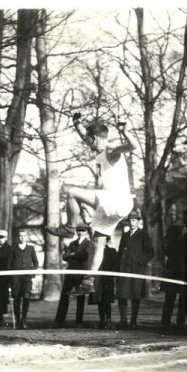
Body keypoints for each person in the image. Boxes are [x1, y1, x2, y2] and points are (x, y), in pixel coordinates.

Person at [46, 113, 137, 295]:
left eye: (89, 141)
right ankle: (89, 281)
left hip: (115, 200)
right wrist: (77, 123)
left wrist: (125, 131)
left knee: (72, 192)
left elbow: (132, 146)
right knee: (97, 242)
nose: (88, 144)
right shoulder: (100, 150)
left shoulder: (111, 149)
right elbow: (84, 135)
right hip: (120, 206)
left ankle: (70, 228)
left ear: (96, 138)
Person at [115, 210, 154, 330]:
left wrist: (140, 261)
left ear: (138, 222)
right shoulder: (125, 235)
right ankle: (123, 320)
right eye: (130, 221)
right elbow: (121, 252)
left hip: (136, 270)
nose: (132, 223)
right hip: (124, 269)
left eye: (134, 221)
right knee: (122, 295)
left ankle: (133, 321)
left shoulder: (143, 235)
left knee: (135, 295)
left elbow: (150, 252)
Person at [54, 223, 91, 328]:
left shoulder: (88, 244)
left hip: (81, 274)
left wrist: (72, 255)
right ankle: (59, 321)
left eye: (83, 230)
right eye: (79, 230)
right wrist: (73, 255)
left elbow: (85, 255)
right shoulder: (72, 243)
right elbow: (65, 256)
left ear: (86, 232)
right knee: (64, 296)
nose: (80, 232)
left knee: (80, 298)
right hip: (70, 273)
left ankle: (79, 322)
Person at [160, 205, 187, 330]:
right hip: (173, 269)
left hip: (185, 270)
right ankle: (165, 321)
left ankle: (180, 322)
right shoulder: (174, 230)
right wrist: (173, 255)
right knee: (170, 296)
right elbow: (165, 245)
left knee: (184, 299)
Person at [10, 229, 39, 329]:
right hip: (16, 278)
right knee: (16, 298)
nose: (22, 238)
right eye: (20, 236)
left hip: (27, 277)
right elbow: (9, 264)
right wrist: (11, 278)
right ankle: (18, 321)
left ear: (26, 237)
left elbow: (36, 262)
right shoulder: (13, 249)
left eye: (24, 236)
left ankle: (24, 320)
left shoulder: (31, 248)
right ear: (18, 237)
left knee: (26, 297)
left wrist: (32, 271)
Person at [89, 236, 119, 329]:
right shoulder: (94, 251)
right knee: (99, 300)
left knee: (107, 300)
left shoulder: (112, 251)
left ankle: (109, 320)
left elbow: (116, 265)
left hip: (107, 279)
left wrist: (112, 275)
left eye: (103, 240)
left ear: (107, 241)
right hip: (97, 279)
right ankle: (102, 320)